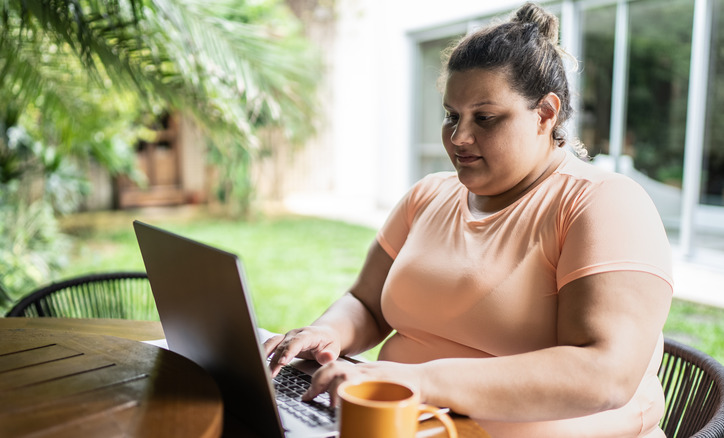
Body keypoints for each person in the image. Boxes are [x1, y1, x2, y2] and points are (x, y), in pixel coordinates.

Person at [264, 3, 673, 437]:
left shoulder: (602, 204)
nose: (459, 137)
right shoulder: (429, 195)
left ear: (546, 114)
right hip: (402, 424)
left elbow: (604, 373)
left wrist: (420, 383)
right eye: (451, 116)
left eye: (485, 118)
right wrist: (328, 332)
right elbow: (366, 303)